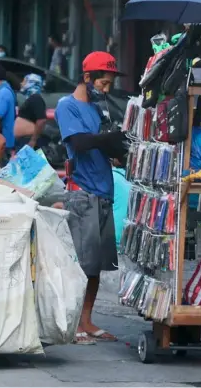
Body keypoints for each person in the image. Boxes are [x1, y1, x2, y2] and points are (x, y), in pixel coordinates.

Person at [55, 51, 127, 345]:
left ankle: (86, 320)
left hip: (104, 191)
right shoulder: (67, 106)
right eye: (104, 83)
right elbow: (79, 142)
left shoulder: (101, 108)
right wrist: (106, 139)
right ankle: (72, 324)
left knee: (97, 265)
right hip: (83, 193)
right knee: (82, 264)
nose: (106, 89)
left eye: (109, 84)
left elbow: (105, 145)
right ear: (87, 78)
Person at [14, 74, 47, 151]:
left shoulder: (36, 98)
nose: (21, 83)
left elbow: (42, 120)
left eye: (24, 81)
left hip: (28, 140)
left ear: (32, 82)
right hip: (24, 140)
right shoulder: (31, 98)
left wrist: (33, 140)